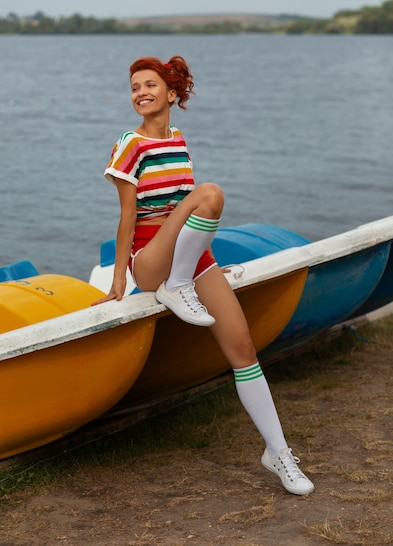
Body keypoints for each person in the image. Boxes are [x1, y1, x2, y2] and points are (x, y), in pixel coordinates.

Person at [93, 55, 314, 496]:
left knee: (243, 348)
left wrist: (203, 260)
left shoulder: (177, 139)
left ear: (171, 94)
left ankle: (279, 454)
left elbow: (188, 216)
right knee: (209, 194)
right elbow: (127, 218)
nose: (141, 92)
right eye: (135, 86)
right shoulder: (128, 144)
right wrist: (121, 279)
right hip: (152, 258)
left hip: (190, 258)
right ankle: (176, 287)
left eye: (150, 84)